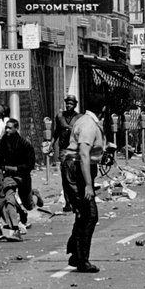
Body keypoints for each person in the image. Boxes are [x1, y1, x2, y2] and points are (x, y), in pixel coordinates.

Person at [63, 93, 107, 273]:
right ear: (103, 109)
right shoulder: (89, 124)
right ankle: (81, 259)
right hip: (77, 170)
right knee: (89, 214)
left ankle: (76, 252)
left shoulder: (85, 120)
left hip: (78, 169)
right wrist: (88, 185)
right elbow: (83, 154)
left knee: (83, 212)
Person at [0, 119, 35, 240]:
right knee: (9, 199)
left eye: (9, 128)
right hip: (9, 177)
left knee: (29, 204)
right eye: (6, 128)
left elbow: (30, 165)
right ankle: (14, 229)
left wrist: (14, 168)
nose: (7, 130)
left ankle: (34, 196)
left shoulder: (25, 145)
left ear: (16, 129)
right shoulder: (2, 143)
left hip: (23, 176)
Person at [49, 95, 83, 213]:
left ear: (75, 105)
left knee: (74, 174)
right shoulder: (60, 117)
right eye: (67, 103)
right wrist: (51, 144)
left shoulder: (79, 117)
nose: (69, 105)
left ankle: (76, 201)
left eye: (71, 103)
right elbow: (56, 132)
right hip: (64, 149)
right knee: (65, 174)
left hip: (75, 148)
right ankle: (68, 202)